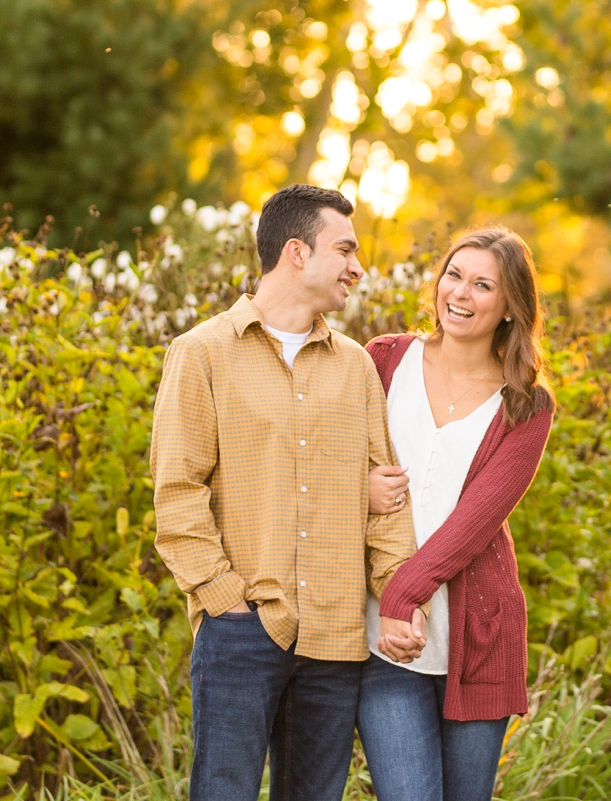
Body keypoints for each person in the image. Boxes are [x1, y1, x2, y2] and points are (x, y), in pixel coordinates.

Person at [150, 184, 426, 801]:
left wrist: (401, 598)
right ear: (297, 252)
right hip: (242, 631)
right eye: (346, 250)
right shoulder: (201, 354)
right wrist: (224, 601)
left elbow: (387, 498)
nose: (358, 268)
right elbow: (177, 492)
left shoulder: (355, 366)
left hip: (335, 637)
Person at [357, 226, 555, 801]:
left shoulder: (525, 403)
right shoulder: (384, 360)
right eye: (454, 275)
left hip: (478, 638)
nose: (460, 294)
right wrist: (356, 486)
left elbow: (476, 521)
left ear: (511, 306)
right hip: (386, 641)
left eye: (482, 284)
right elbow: (324, 458)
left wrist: (404, 592)